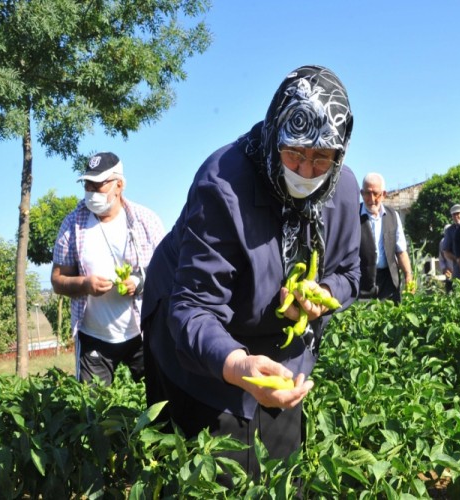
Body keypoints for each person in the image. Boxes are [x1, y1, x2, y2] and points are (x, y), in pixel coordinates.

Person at [141, 65, 360, 481]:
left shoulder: (342, 190)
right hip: (193, 337)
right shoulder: (223, 184)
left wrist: (320, 296)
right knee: (211, 464)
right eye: (294, 152)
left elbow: (349, 272)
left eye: (321, 158)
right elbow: (194, 308)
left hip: (276, 344)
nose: (306, 171)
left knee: (277, 467)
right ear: (276, 131)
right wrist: (237, 364)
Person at [51, 152, 165, 384]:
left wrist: (139, 281)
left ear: (119, 185)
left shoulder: (145, 220)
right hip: (94, 337)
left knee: (158, 404)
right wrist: (85, 284)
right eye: (87, 184)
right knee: (95, 413)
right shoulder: (72, 225)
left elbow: (167, 269)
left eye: (99, 185)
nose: (92, 192)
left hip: (142, 333)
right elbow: (57, 280)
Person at [358, 172, 414, 302]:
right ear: (362, 193)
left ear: (383, 194)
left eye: (375, 194)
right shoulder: (353, 215)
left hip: (388, 282)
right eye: (367, 193)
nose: (371, 199)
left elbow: (401, 251)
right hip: (362, 282)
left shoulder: (393, 216)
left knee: (390, 318)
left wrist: (408, 276)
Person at [442, 203, 460, 279]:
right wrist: (458, 259)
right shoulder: (450, 231)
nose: (456, 216)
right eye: (453, 215)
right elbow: (446, 252)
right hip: (459, 271)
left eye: (458, 213)